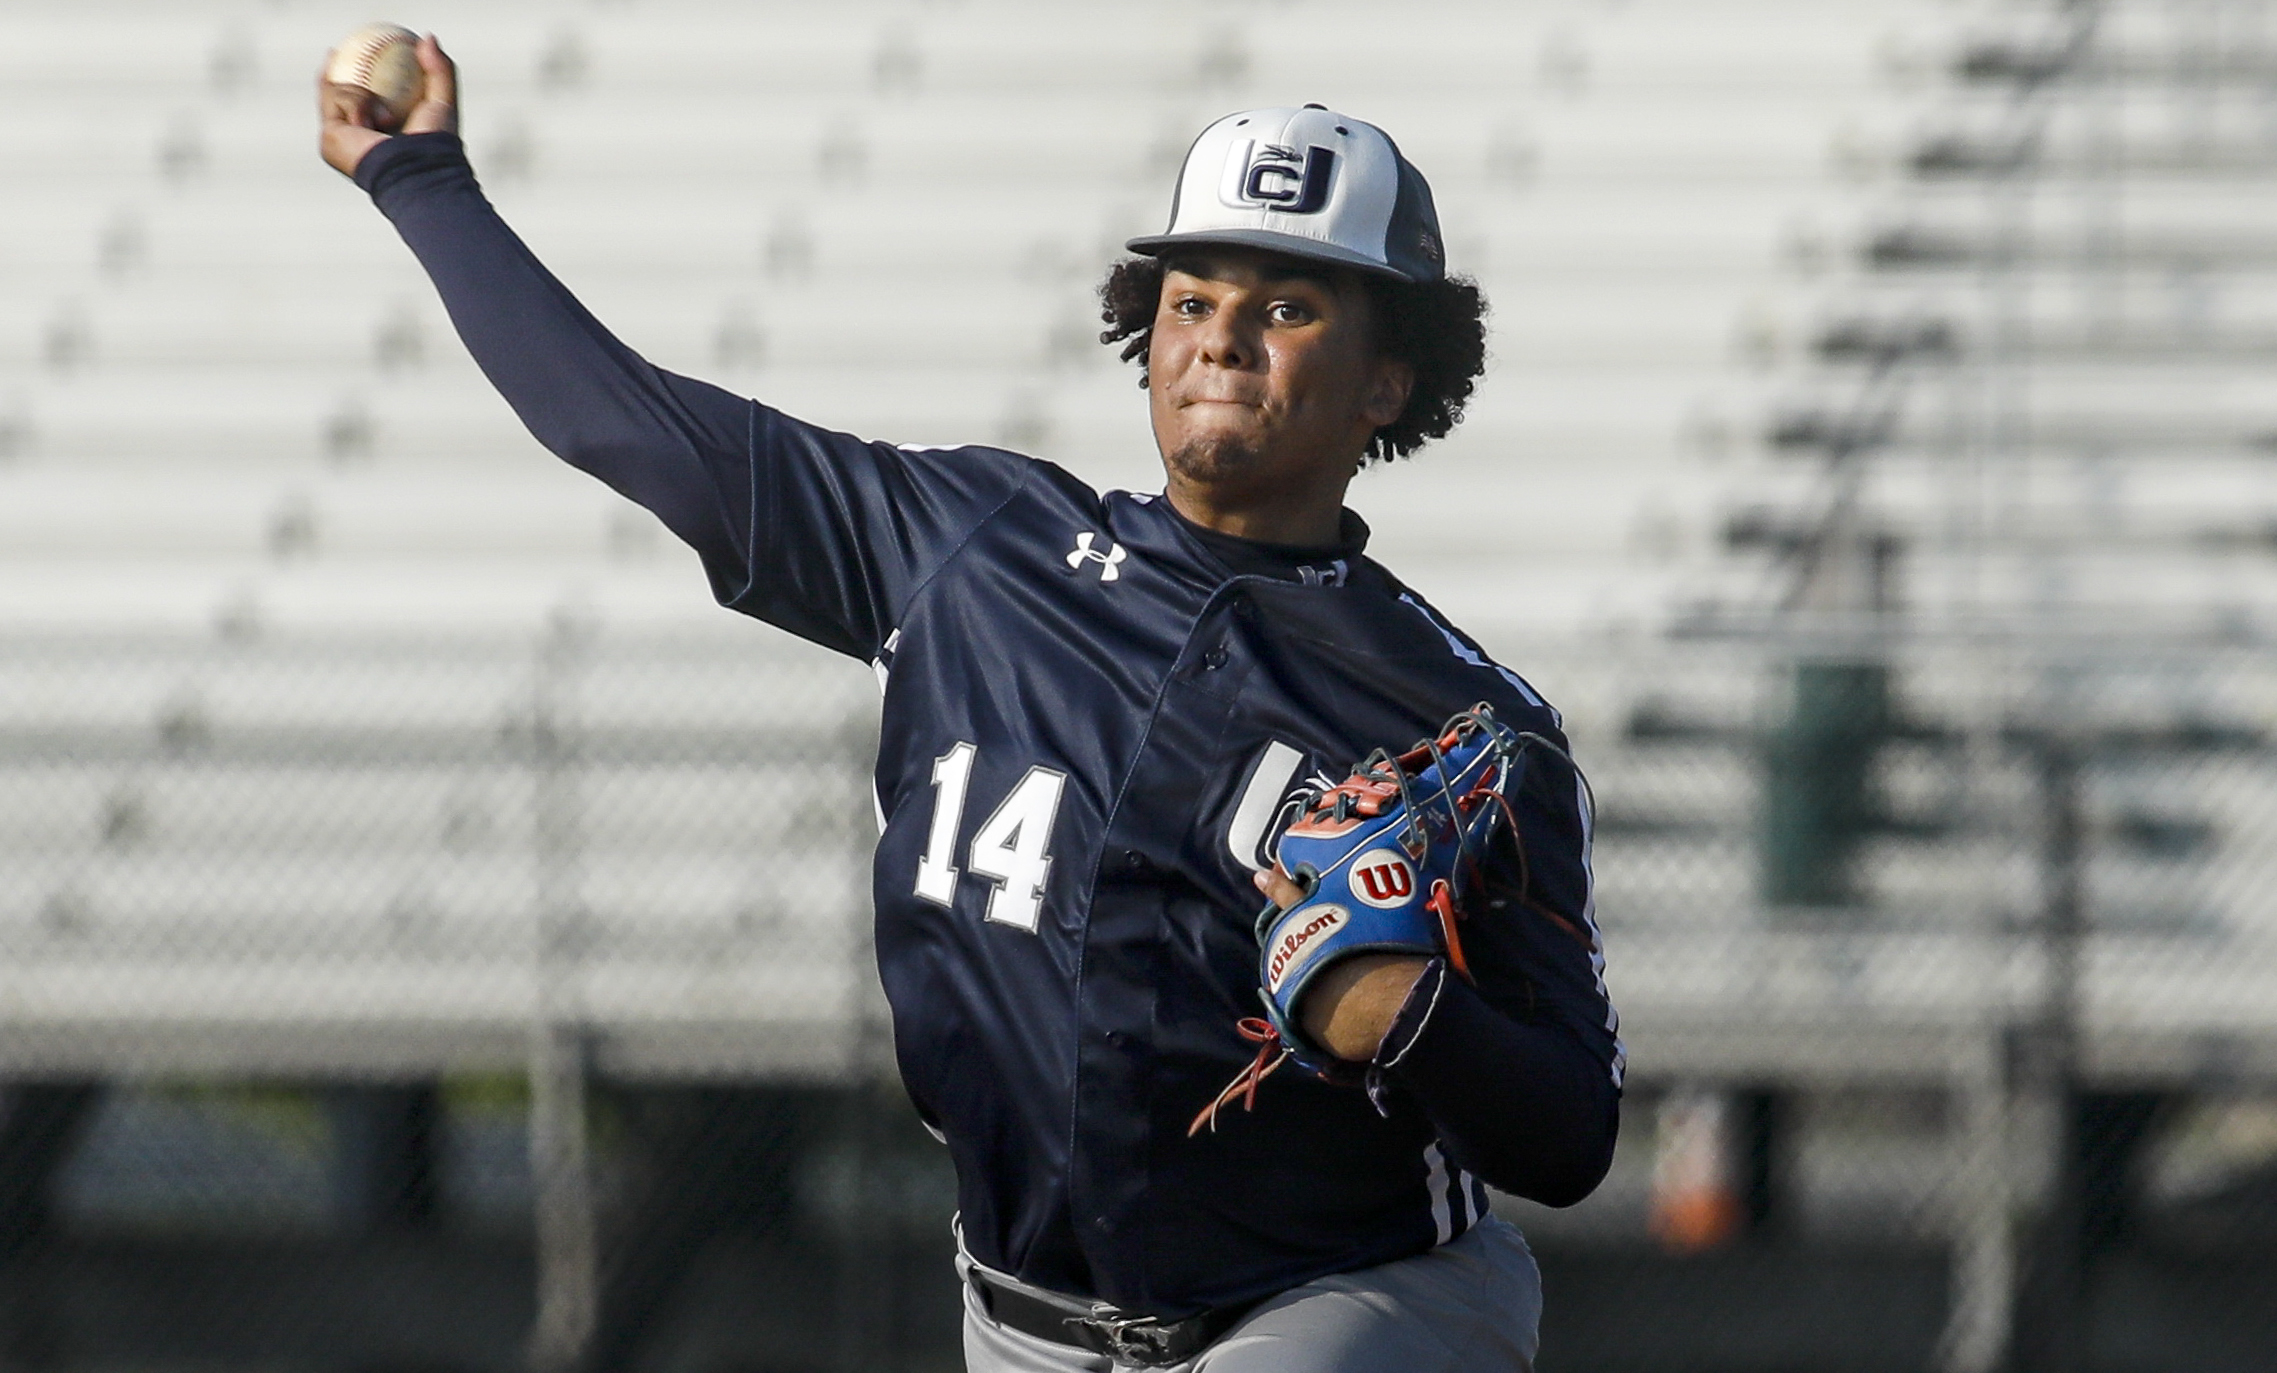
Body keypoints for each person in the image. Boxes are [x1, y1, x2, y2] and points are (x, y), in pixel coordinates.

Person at [321, 35, 1623, 1373]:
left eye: (1288, 304)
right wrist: (421, 180)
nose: (1222, 331)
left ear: (1387, 378)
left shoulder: (1464, 719)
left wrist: (1412, 1015)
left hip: (1349, 1301)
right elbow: (634, 426)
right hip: (1020, 1319)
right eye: (1191, 297)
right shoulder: (969, 550)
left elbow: (1571, 1134)